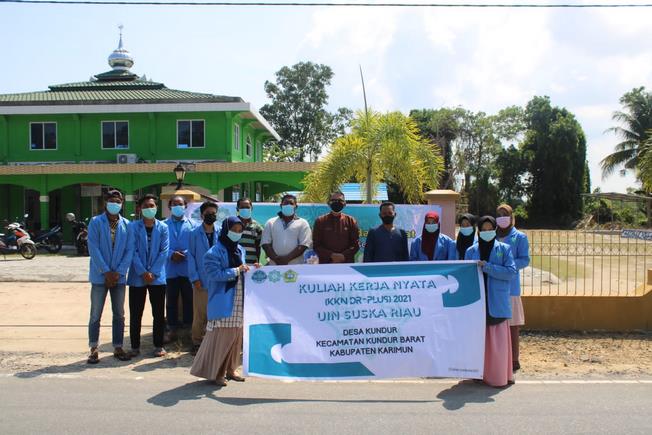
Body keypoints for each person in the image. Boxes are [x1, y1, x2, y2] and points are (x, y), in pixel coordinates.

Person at [190, 216, 260, 386]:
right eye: (233, 230)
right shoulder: (213, 252)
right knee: (223, 338)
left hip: (239, 298)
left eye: (239, 230)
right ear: (225, 230)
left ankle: (231, 369)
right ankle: (218, 372)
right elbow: (214, 274)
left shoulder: (240, 249)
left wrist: (252, 269)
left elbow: (242, 270)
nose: (237, 234)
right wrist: (236, 270)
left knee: (236, 337)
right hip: (224, 299)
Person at [465, 216, 517, 387]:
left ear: (495, 230)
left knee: (497, 343)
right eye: (483, 229)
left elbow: (510, 272)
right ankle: (479, 375)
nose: (486, 232)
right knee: (480, 341)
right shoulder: (471, 251)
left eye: (490, 229)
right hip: (478, 302)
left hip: (497, 301)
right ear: (479, 231)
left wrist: (487, 267)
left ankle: (499, 376)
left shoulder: (505, 249)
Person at [86, 189, 134, 364]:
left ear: (122, 203)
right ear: (105, 203)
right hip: (100, 276)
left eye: (118, 201)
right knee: (95, 314)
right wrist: (106, 271)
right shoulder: (95, 222)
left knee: (119, 314)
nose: (115, 204)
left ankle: (118, 346)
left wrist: (118, 272)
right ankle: (93, 348)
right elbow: (94, 248)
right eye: (112, 201)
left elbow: (129, 250)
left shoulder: (127, 225)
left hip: (119, 277)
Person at [127, 194, 170, 357]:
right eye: (146, 206)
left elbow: (164, 251)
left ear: (156, 207)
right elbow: (132, 250)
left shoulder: (163, 228)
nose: (149, 209)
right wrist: (143, 272)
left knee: (158, 313)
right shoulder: (133, 227)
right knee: (136, 312)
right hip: (138, 276)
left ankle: (158, 345)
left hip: (157, 277)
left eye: (152, 206)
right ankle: (134, 346)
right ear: (139, 209)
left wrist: (152, 272)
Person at [496, 204, 530, 373]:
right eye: (499, 214)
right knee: (496, 325)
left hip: (511, 287)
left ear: (511, 217)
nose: (502, 217)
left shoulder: (520, 237)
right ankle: (499, 357)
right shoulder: (491, 235)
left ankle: (514, 359)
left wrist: (508, 265)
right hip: (494, 286)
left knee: (512, 325)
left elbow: (525, 259)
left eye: (505, 214)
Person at [187, 201, 219, 355]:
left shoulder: (221, 232)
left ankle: (212, 341)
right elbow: (191, 257)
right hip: (200, 279)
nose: (211, 216)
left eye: (214, 213)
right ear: (201, 215)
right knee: (200, 313)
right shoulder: (194, 233)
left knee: (215, 313)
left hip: (217, 280)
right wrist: (194, 278)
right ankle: (197, 341)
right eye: (208, 214)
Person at [164, 195, 195, 341]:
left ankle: (189, 328)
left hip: (187, 269)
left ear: (185, 206)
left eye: (180, 204)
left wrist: (186, 254)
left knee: (189, 299)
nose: (177, 206)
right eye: (174, 204)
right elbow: (160, 246)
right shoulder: (163, 225)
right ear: (169, 207)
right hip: (170, 270)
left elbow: (196, 245)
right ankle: (172, 329)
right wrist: (171, 254)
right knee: (171, 301)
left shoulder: (193, 225)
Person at [261, 194, 312, 265]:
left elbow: (303, 245)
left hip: (296, 267)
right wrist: (276, 259)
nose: (288, 205)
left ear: (296, 206)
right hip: (275, 266)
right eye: (285, 203)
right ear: (281, 205)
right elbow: (265, 244)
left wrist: (287, 259)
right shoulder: (270, 222)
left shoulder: (303, 223)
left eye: (291, 203)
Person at [312, 191, 360, 264]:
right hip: (326, 264)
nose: (337, 202)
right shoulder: (320, 221)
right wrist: (331, 255)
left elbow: (355, 245)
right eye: (334, 200)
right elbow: (317, 245)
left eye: (340, 200)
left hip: (347, 264)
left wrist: (343, 256)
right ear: (328, 203)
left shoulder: (351, 221)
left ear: (345, 204)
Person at [236, 197, 264, 265]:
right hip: (235, 265)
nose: (245, 209)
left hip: (251, 266)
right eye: (242, 207)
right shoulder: (231, 224)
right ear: (237, 209)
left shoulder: (257, 226)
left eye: (247, 207)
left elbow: (258, 247)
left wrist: (257, 261)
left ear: (251, 208)